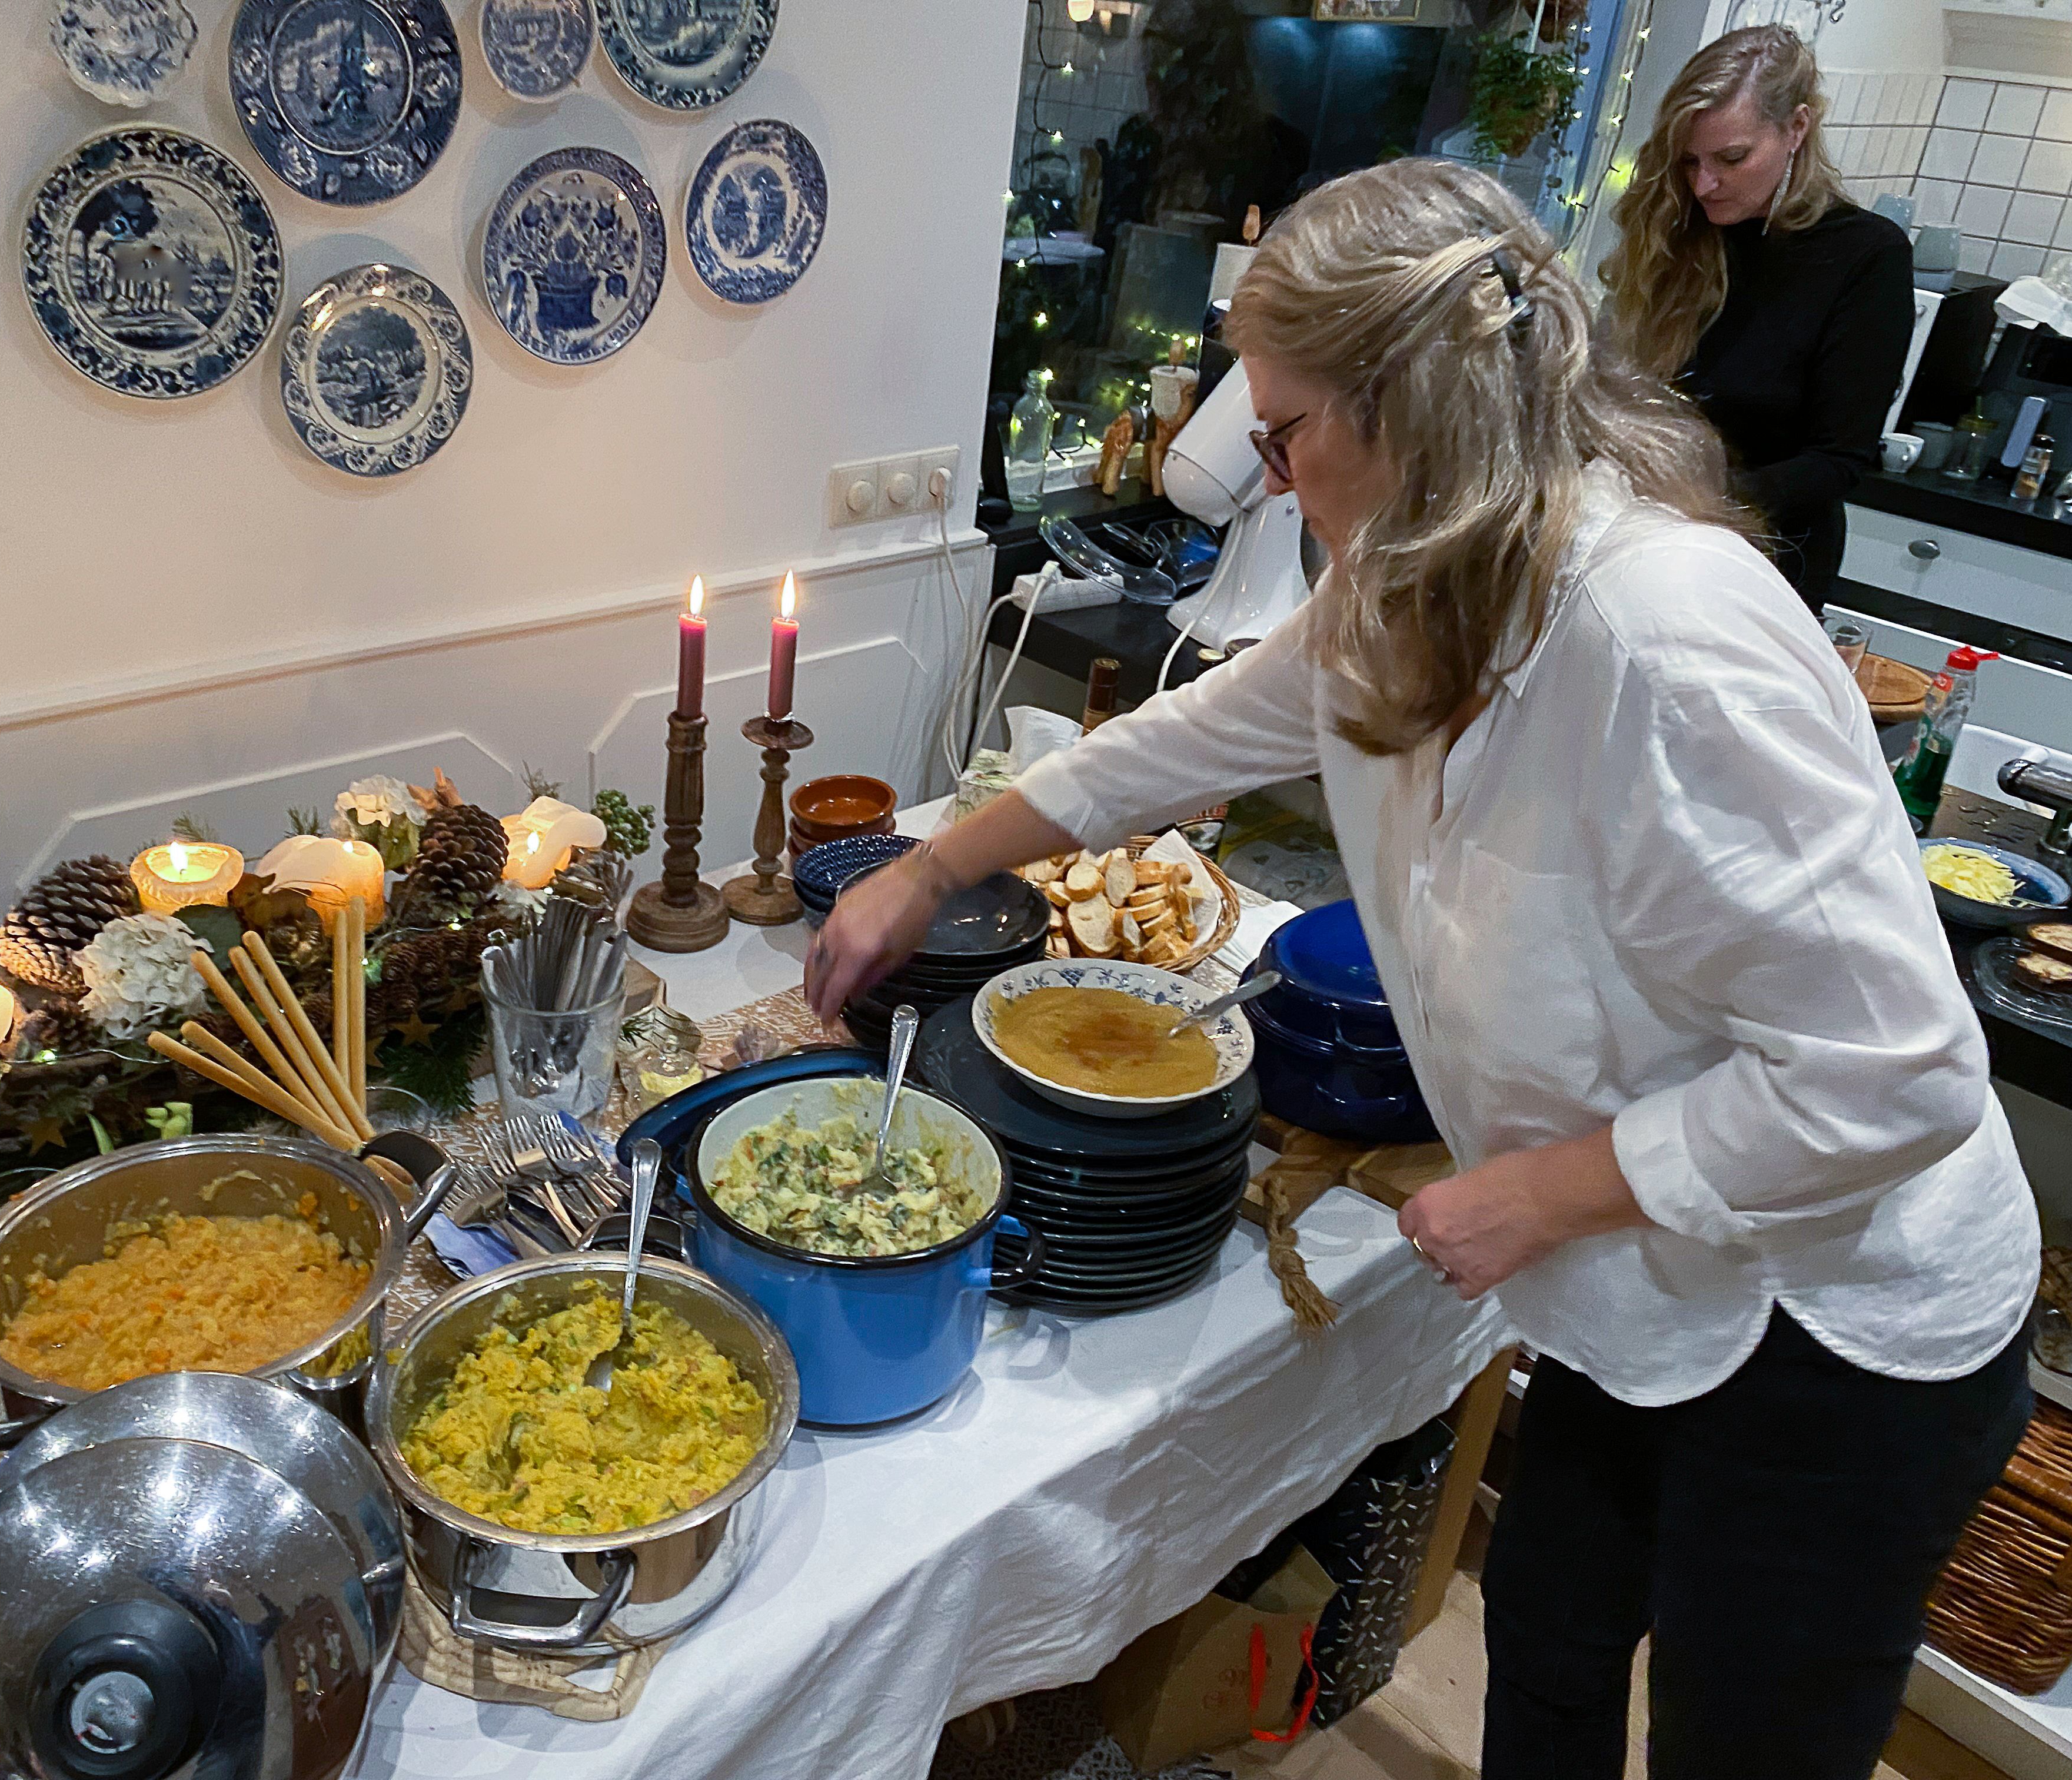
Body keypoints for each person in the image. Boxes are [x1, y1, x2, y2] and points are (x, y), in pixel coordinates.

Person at [810, 158, 2035, 1779]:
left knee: (1750, 1741)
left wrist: (1538, 1195)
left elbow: (1900, 1077)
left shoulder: (1669, 639)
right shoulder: (1421, 564)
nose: (1268, 468)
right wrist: (932, 866)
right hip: (1652, 1285)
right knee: (1545, 1644)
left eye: (1288, 430)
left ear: (1419, 403)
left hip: (1837, 1330)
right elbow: (1201, 734)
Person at [1599, 25, 1913, 614]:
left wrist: (1685, 501)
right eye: (1689, 160)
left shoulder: (1865, 256)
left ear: (1797, 128)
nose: (1703, 184)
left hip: (1764, 564)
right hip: (1640, 551)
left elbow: (1837, 461)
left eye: (1732, 158)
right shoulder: (1676, 230)